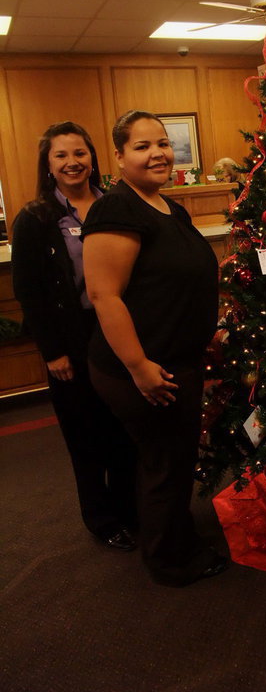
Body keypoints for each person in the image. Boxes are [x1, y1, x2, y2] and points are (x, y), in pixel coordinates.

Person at [82, 110, 226, 586]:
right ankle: (168, 559)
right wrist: (140, 366)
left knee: (174, 457)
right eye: (142, 146)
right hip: (141, 368)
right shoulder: (116, 209)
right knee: (167, 461)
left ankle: (174, 536)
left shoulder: (167, 206)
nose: (157, 153)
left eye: (162, 143)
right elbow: (105, 295)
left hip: (175, 359)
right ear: (119, 157)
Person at [11, 122, 137, 551]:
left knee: (123, 424)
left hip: (117, 330)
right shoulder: (36, 218)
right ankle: (100, 518)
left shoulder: (116, 205)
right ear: (48, 165)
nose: (72, 163)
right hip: (71, 338)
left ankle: (128, 509)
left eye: (79, 153)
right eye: (61, 155)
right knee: (85, 434)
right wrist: (53, 352)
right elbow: (29, 292)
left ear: (93, 158)